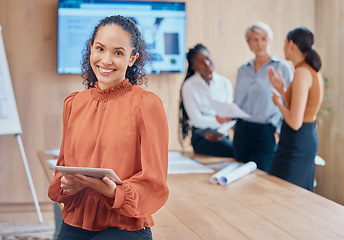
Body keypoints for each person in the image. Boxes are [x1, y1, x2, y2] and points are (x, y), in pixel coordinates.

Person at [48, 15, 169, 239]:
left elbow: (155, 181)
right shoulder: (74, 103)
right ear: (91, 49)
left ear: (132, 59)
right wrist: (67, 183)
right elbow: (64, 165)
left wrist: (115, 192)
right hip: (78, 218)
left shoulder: (147, 104)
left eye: (118, 53)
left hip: (125, 224)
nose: (106, 60)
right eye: (100, 48)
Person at [268, 27, 324, 191]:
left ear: (291, 44)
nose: (284, 48)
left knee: (285, 194)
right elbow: (301, 106)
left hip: (297, 141)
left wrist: (278, 102)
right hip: (303, 138)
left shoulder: (302, 72)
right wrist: (282, 90)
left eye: (285, 43)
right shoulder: (310, 70)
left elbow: (294, 121)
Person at [233, 22, 293, 172]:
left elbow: (290, 102)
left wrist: (280, 129)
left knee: (260, 179)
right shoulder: (243, 70)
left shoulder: (282, 68)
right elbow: (238, 102)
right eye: (255, 39)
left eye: (264, 39)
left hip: (265, 132)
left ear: (270, 41)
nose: (260, 43)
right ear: (249, 43)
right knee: (237, 177)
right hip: (241, 131)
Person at [179, 43, 235, 157]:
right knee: (235, 152)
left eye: (208, 59)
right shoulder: (189, 86)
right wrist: (219, 122)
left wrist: (222, 129)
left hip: (223, 133)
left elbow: (228, 114)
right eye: (201, 62)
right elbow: (196, 119)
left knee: (245, 149)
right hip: (202, 135)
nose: (207, 64)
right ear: (193, 66)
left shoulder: (225, 83)